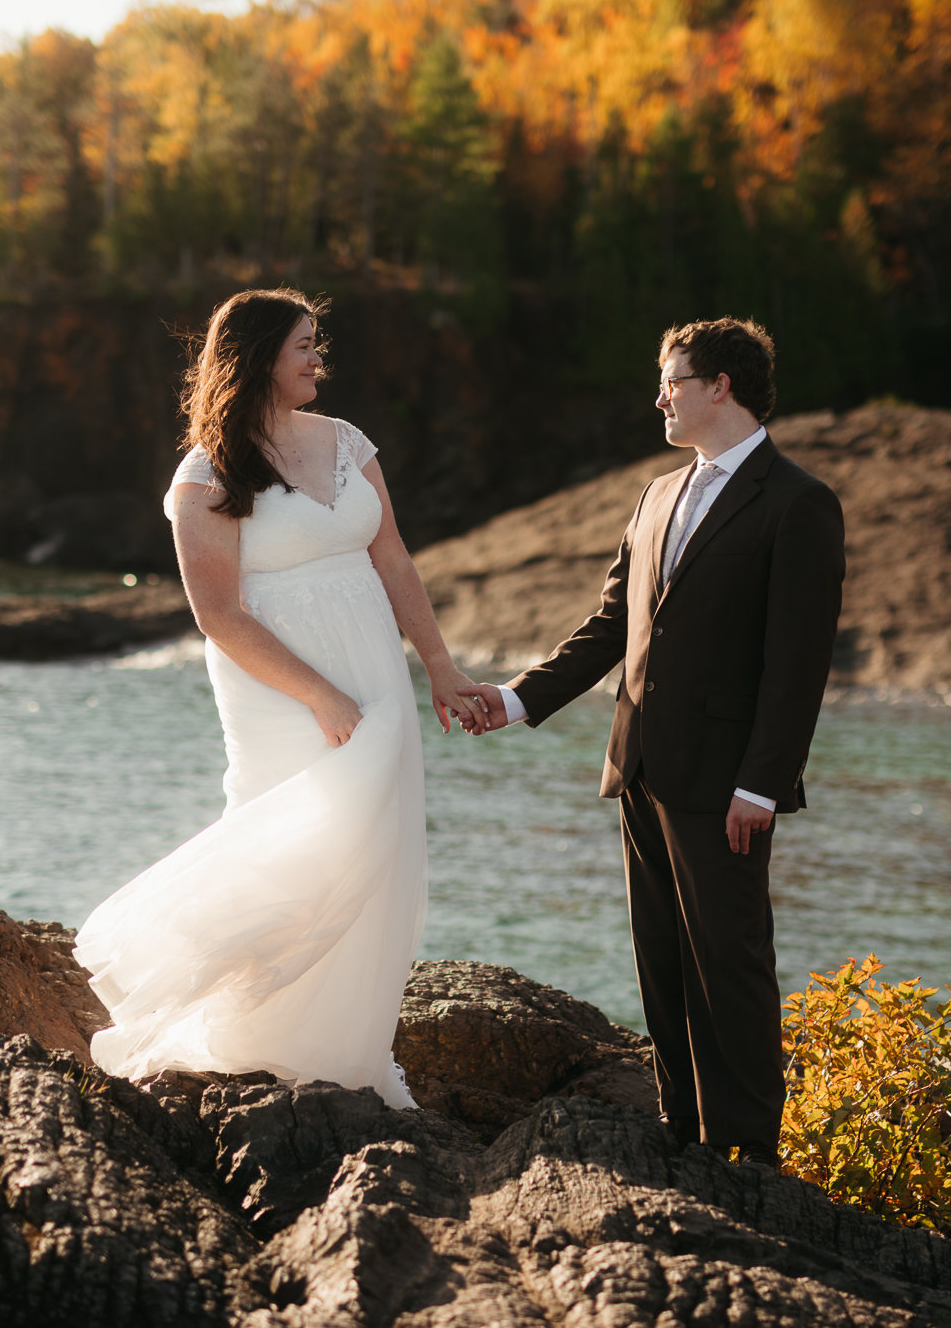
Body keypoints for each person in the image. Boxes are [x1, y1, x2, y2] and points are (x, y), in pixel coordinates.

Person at [74, 288, 487, 1108]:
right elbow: (217, 614)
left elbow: (395, 560)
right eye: (302, 345)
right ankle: (249, 1032)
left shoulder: (347, 442)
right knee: (294, 842)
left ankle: (347, 1047)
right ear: (259, 354)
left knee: (378, 845)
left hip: (375, 667)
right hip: (281, 683)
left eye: (316, 343)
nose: (316, 358)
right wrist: (322, 695)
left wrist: (439, 666)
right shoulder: (207, 472)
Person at [459, 318, 845, 1164]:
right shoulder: (657, 494)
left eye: (673, 380)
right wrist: (517, 698)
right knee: (663, 960)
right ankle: (683, 1130)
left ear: (722, 387)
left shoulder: (799, 502)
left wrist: (763, 782)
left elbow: (799, 662)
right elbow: (610, 629)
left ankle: (747, 1148)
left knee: (730, 962)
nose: (660, 396)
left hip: (727, 781)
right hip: (637, 762)